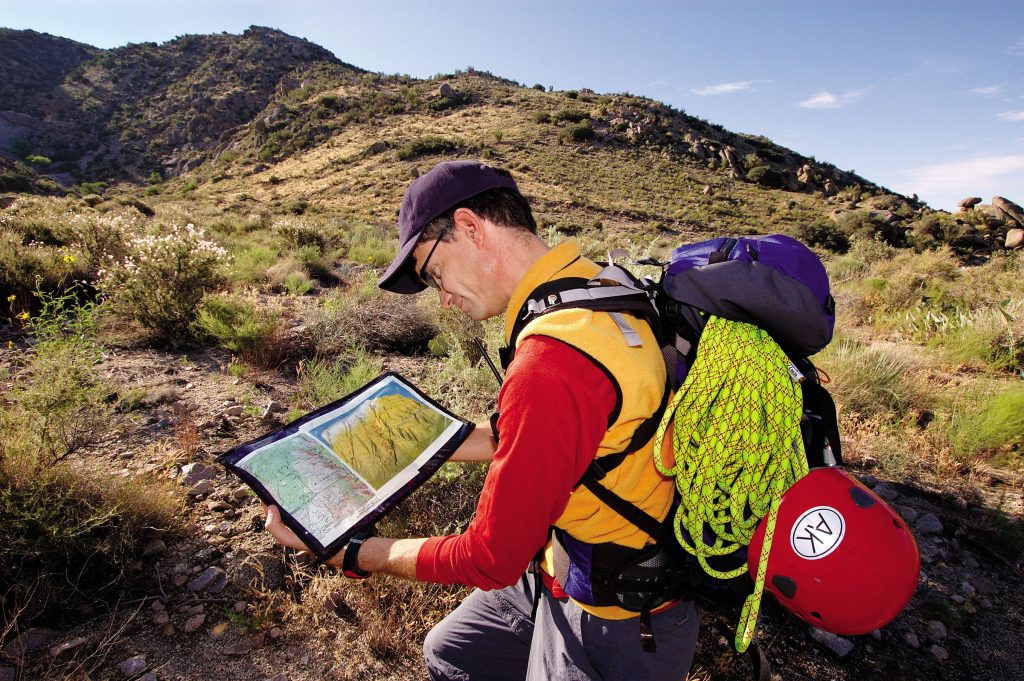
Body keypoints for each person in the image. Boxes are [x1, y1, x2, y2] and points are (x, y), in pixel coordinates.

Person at [264, 160, 699, 680]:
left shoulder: (553, 361)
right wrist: (405, 439)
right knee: (453, 652)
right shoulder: (598, 287)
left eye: (433, 273)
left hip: (613, 619)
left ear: (469, 227)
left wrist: (357, 553)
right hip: (564, 565)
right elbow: (546, 439)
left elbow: (491, 557)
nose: (443, 300)